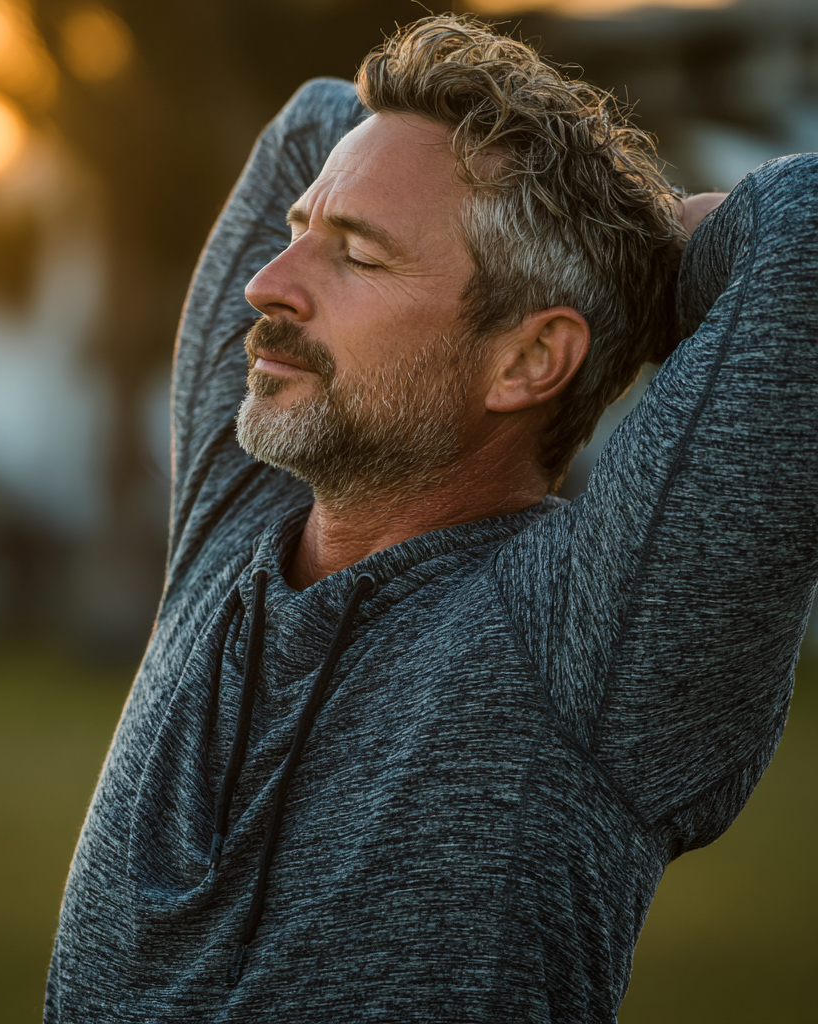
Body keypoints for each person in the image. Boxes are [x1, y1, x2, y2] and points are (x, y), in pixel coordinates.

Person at [45, 15, 816, 1022]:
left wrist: (630, 252)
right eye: (296, 233)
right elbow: (315, 119)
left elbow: (800, 240)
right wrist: (588, 247)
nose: (266, 288)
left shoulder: (596, 641)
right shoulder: (239, 512)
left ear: (529, 360)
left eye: (356, 256)